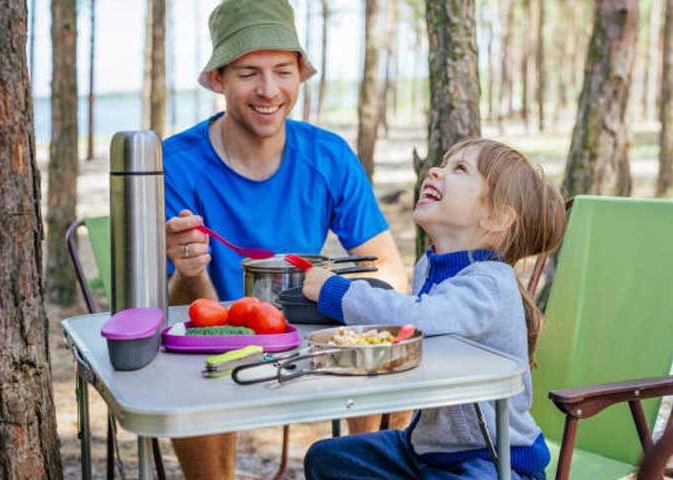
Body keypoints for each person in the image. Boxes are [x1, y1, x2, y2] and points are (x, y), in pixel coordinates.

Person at [162, 0, 408, 478]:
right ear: (218, 79)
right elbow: (177, 310)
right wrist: (191, 271)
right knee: (188, 381)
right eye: (248, 72)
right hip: (214, 346)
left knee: (390, 354)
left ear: (300, 74)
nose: (269, 90)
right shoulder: (176, 164)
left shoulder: (328, 155)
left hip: (313, 338)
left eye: (282, 70)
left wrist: (339, 299)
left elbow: (389, 270)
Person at [301, 138, 568, 480]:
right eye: (444, 162)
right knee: (326, 459)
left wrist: (338, 293)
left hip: (493, 459)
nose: (436, 171)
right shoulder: (431, 265)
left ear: (497, 218)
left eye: (459, 169)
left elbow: (417, 317)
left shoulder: (488, 284)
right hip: (426, 451)